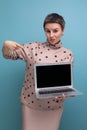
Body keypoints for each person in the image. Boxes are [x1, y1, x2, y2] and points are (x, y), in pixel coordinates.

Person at [2, 13, 74, 130]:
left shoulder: (68, 54)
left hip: (54, 107)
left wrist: (65, 93)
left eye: (55, 31)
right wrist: (5, 45)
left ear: (63, 31)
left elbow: (67, 82)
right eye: (48, 31)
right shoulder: (32, 47)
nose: (51, 35)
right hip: (31, 104)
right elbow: (8, 55)